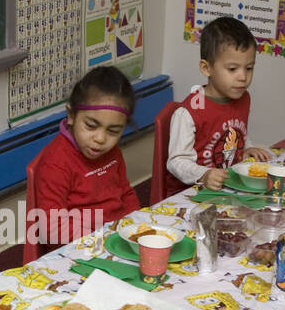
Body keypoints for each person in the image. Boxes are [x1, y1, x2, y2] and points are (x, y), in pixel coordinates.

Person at [28, 65, 141, 249]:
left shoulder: (111, 151)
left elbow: (125, 193)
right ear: (71, 115)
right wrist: (105, 237)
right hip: (79, 249)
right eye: (90, 126)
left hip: (114, 238)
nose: (100, 139)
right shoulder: (56, 162)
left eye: (113, 131)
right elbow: (53, 231)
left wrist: (136, 225)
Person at [166, 16, 270, 191]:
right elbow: (177, 162)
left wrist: (248, 148)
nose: (243, 77)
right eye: (232, 69)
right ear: (207, 68)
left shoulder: (243, 98)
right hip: (192, 193)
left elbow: (234, 133)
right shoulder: (189, 112)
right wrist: (204, 174)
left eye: (249, 68)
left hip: (229, 187)